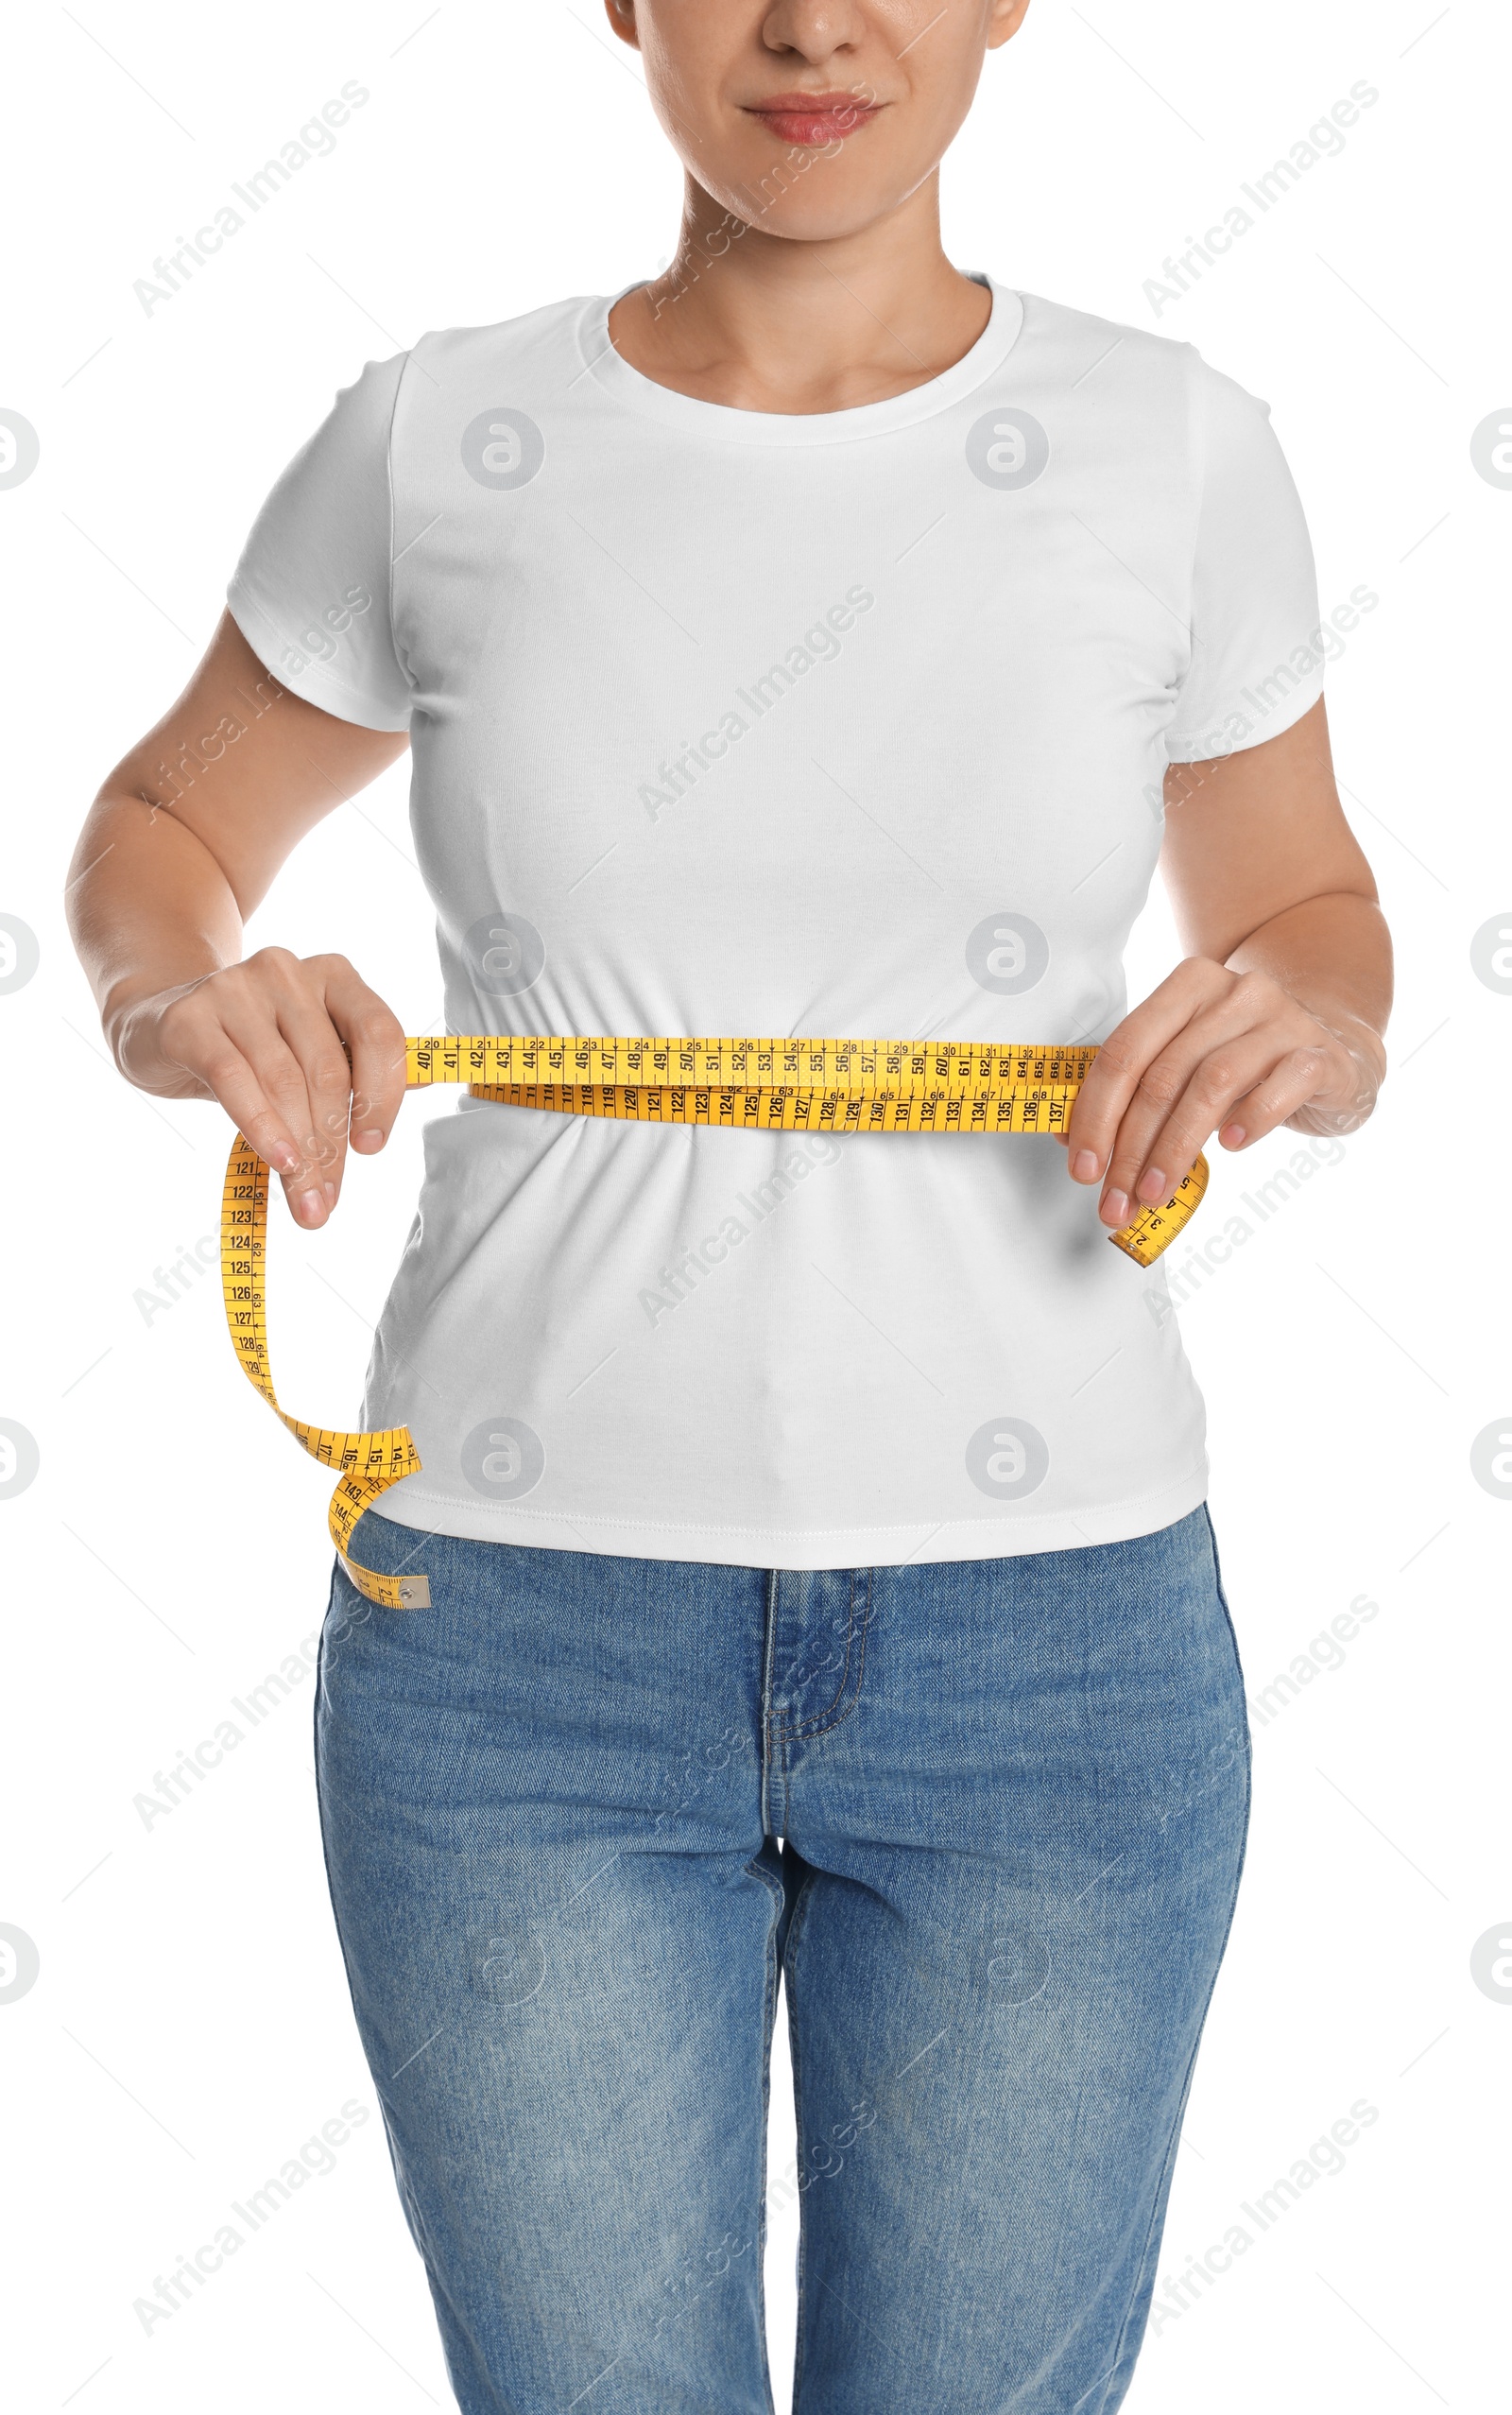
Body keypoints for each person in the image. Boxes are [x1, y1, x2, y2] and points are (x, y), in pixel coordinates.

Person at [66, 2, 1391, 2406]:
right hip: (512, 1642)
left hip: (1052, 1648)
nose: (811, 24)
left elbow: (1305, 908)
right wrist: (185, 1004)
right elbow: (159, 840)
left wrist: (1310, 1020)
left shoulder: (1174, 445)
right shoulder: (437, 439)